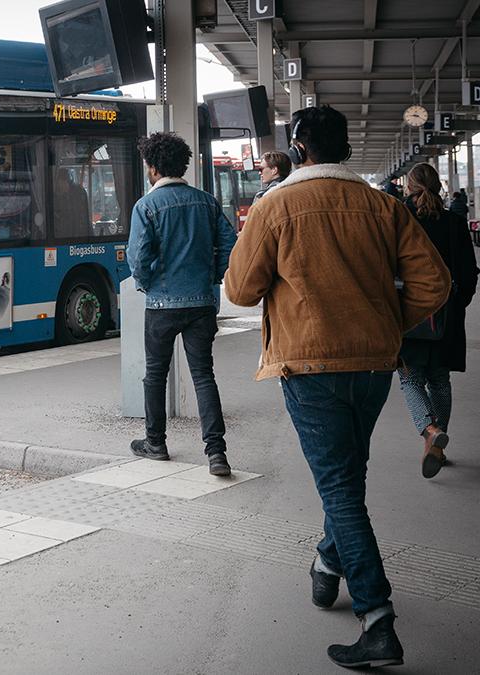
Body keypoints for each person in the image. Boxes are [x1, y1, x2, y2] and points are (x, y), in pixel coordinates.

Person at [225, 105, 449, 669]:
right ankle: (328, 567)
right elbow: (434, 282)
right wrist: (383, 323)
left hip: (309, 365)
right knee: (347, 475)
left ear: (298, 149)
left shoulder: (274, 206)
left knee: (340, 490)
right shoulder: (383, 205)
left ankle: (377, 620)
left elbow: (240, 291)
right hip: (375, 364)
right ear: (345, 148)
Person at [126, 132, 237, 477]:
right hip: (202, 302)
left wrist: (148, 285)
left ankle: (155, 443)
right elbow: (230, 245)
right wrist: (212, 278)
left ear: (154, 167)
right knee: (204, 376)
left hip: (161, 306)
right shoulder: (207, 202)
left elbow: (137, 258)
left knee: (155, 375)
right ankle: (216, 453)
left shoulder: (146, 206)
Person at [398, 164, 478, 478]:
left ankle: (430, 431)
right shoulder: (454, 222)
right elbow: (469, 272)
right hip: (446, 313)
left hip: (410, 314)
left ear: (410, 188)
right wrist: (457, 304)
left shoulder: (402, 221)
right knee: (440, 381)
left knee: (410, 378)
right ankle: (437, 447)